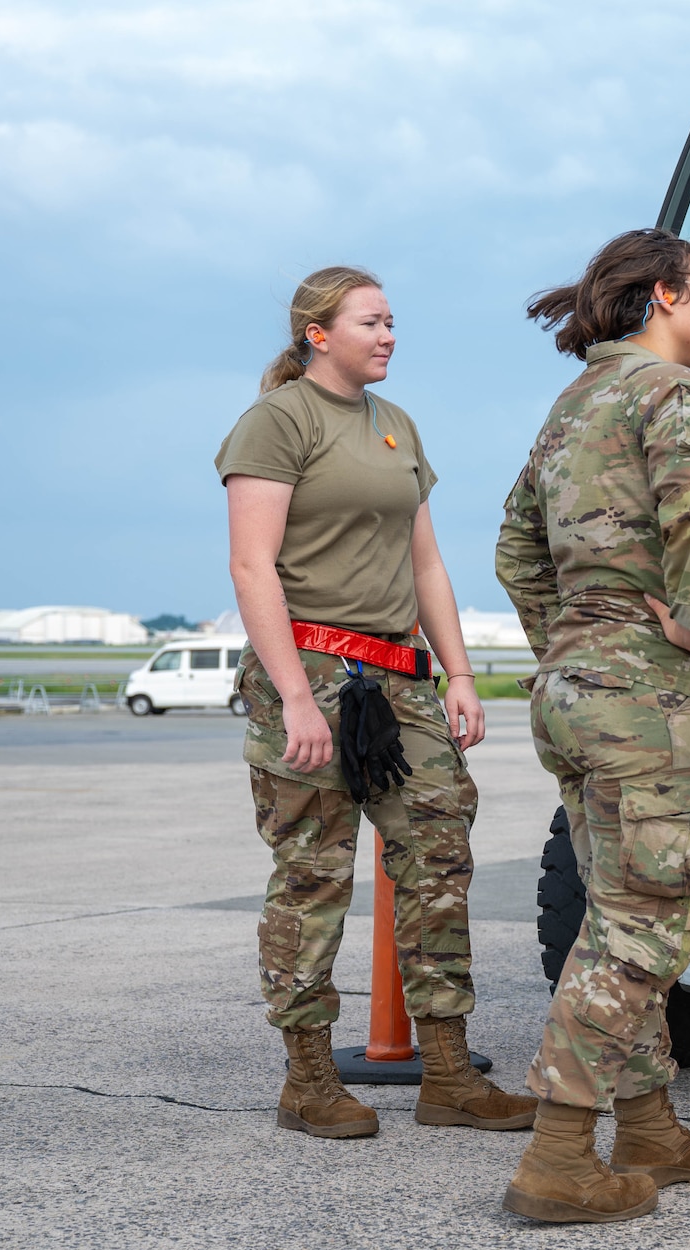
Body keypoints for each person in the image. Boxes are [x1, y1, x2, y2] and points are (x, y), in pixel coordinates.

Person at [219, 266, 536, 1140]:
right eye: (371, 321)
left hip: (399, 678)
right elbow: (253, 568)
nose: (389, 334)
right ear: (318, 334)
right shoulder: (277, 422)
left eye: (393, 320)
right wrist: (295, 699)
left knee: (439, 857)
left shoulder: (396, 426)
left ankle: (446, 1073)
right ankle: (309, 1080)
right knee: (313, 875)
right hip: (312, 669)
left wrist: (460, 675)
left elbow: (425, 563)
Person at [495, 229, 690, 1224]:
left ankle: (647, 1127)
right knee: (649, 921)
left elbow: (517, 546)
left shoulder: (572, 408)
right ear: (662, 295)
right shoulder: (671, 399)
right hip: (649, 699)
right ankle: (560, 1155)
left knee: (616, 908)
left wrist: (571, 638)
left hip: (574, 688)